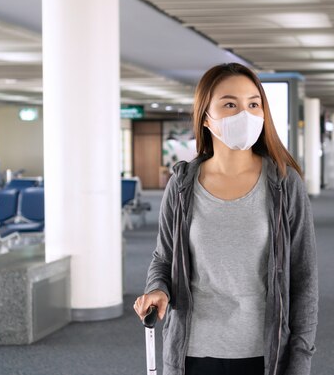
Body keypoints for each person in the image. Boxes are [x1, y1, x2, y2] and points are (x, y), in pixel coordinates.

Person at [133, 63, 319, 375]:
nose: (244, 114)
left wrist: (300, 360)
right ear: (206, 117)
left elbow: (304, 279)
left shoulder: (284, 185)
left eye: (253, 104)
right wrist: (158, 289)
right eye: (230, 104)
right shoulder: (182, 186)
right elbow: (164, 258)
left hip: (265, 354)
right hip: (194, 352)